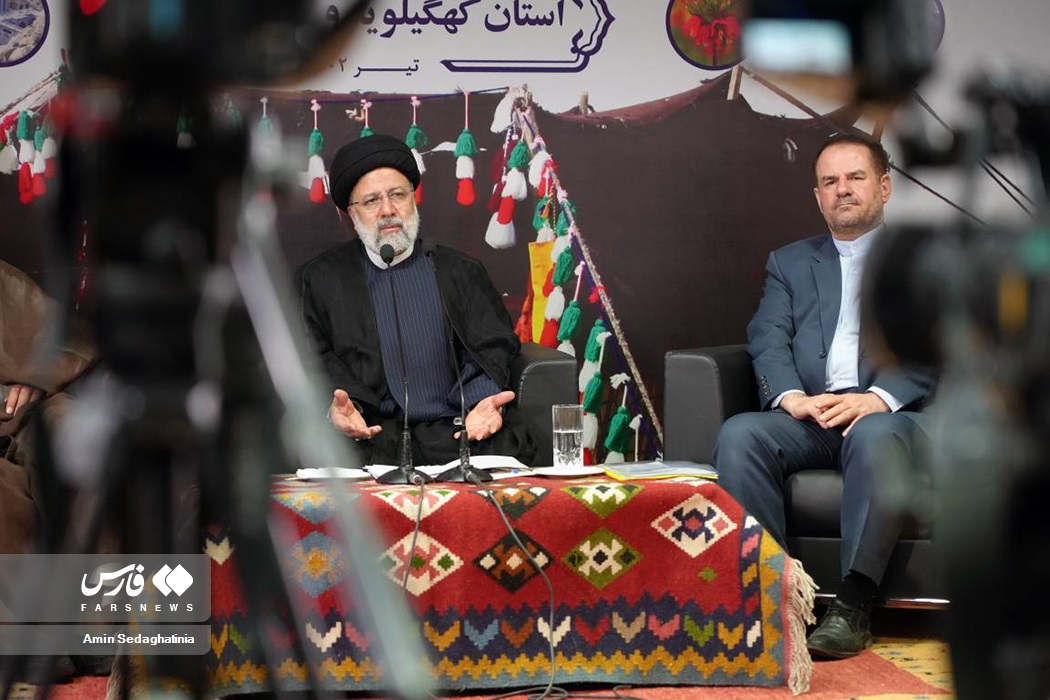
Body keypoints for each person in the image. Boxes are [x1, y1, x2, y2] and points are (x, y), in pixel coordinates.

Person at [713, 134, 935, 659]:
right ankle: (772, 601)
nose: (843, 190)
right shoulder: (789, 263)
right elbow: (768, 337)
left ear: (884, 187)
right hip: (814, 415)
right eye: (830, 182)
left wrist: (878, 397)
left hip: (895, 418)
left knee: (874, 434)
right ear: (817, 197)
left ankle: (854, 606)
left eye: (856, 177)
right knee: (741, 434)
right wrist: (792, 397)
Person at [296, 133, 536, 467]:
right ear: (351, 213)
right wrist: (336, 407)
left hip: (458, 430)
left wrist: (481, 401)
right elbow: (312, 356)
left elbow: (492, 345)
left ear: (413, 198)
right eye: (371, 201)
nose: (388, 210)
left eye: (398, 195)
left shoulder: (459, 270)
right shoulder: (321, 278)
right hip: (370, 435)